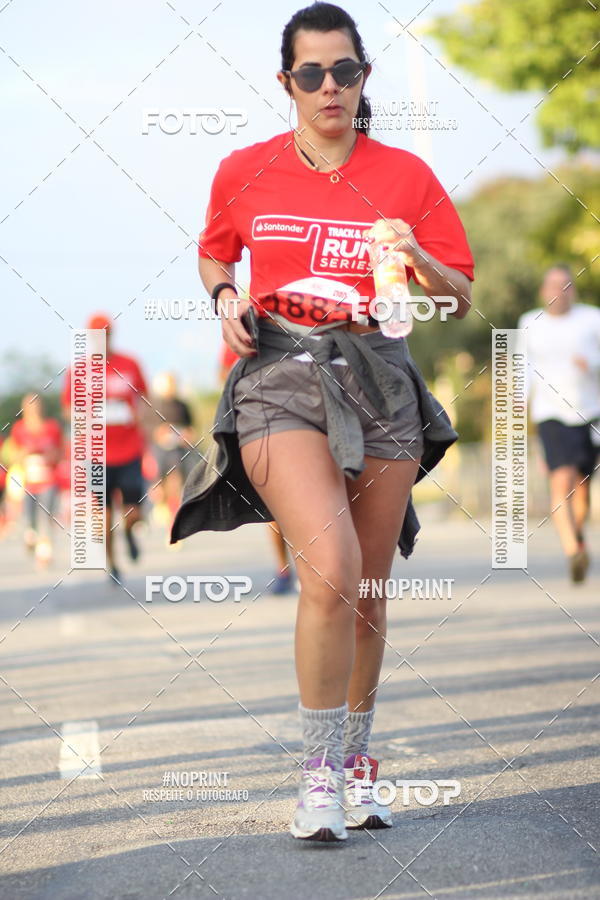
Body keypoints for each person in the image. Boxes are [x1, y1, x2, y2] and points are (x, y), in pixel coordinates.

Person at [172, 2, 474, 842]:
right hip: (278, 374)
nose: (330, 86)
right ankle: (315, 774)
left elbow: (459, 294)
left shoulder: (407, 175)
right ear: (287, 83)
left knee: (369, 594)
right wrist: (226, 295)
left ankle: (356, 763)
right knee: (333, 568)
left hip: (379, 378)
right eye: (312, 74)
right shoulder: (245, 169)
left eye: (345, 70)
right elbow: (213, 249)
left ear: (363, 76)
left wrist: (414, 255)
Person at [518, 265, 600, 583]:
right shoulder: (529, 323)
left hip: (590, 413)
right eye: (553, 285)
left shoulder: (592, 319)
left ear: (573, 290)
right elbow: (523, 367)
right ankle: (572, 550)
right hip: (550, 413)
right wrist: (518, 400)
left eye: (565, 286)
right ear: (543, 291)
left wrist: (591, 363)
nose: (559, 292)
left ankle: (577, 535)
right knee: (561, 480)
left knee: (582, 488)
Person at [62, 313, 150, 582]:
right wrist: (88, 418)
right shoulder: (78, 370)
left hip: (130, 448)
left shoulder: (130, 363)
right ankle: (112, 564)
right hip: (97, 452)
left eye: (107, 334)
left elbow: (145, 398)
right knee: (105, 513)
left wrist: (140, 417)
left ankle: (130, 532)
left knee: (134, 510)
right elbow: (68, 409)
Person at [9, 394, 63, 565]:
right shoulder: (19, 429)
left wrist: (49, 454)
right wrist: (25, 452)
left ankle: (44, 554)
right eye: (30, 406)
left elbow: (60, 453)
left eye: (36, 405)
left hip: (48, 481)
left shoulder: (52, 427)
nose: (34, 409)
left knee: (45, 517)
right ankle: (31, 537)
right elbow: (13, 456)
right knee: (29, 519)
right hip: (28, 483)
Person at [146, 372, 196, 532]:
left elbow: (191, 427)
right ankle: (160, 504)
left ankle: (174, 515)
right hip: (159, 450)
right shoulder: (153, 405)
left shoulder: (182, 405)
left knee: (177, 481)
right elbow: (147, 428)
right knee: (160, 483)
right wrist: (158, 432)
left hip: (179, 450)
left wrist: (187, 434)